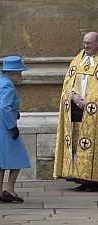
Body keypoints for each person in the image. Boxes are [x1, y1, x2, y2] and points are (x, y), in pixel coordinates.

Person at [0, 55, 31, 203]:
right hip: (4, 125)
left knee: (0, 160)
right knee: (18, 158)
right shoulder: (8, 85)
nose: (20, 76)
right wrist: (12, 126)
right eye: (19, 73)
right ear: (11, 73)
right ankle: (9, 189)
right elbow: (5, 108)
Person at [54, 31, 98, 192]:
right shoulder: (77, 61)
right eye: (84, 42)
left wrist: (91, 101)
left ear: (97, 44)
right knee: (78, 145)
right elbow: (68, 83)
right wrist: (73, 96)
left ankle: (94, 180)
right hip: (77, 109)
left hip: (94, 113)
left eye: (89, 43)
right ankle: (83, 179)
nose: (85, 46)